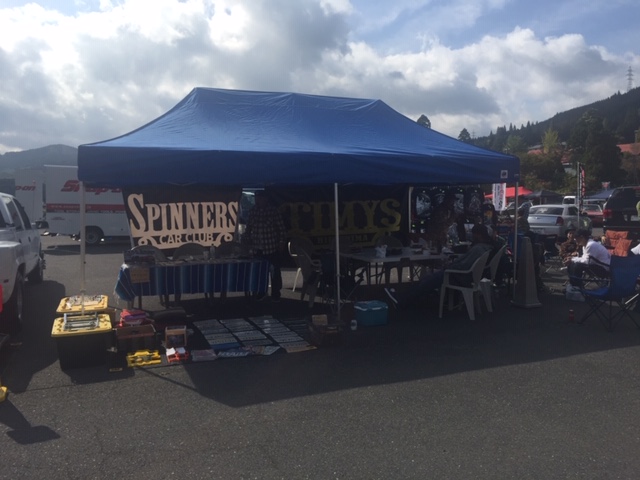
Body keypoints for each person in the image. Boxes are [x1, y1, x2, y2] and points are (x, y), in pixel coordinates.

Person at [384, 224, 493, 309]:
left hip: (457, 276)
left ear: (478, 235)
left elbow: (464, 265)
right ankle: (405, 298)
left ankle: (402, 299)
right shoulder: (484, 248)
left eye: (473, 234)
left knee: (427, 281)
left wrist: (449, 267)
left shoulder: (478, 249)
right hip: (462, 276)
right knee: (427, 280)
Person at [244, 191, 287, 301]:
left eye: (260, 198)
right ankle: (261, 292)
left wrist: (281, 242)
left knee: (274, 272)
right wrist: (247, 239)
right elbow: (248, 228)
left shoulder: (273, 211)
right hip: (257, 248)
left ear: (266, 199)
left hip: (271, 247)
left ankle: (276, 293)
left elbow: (281, 229)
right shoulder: (253, 211)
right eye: (256, 198)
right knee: (260, 272)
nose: (257, 200)